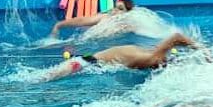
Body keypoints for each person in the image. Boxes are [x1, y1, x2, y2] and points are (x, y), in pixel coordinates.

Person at [41, 32, 200, 81]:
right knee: (40, 80)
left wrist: (198, 49)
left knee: (40, 78)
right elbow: (177, 36)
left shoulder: (148, 52)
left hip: (86, 60)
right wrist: (204, 53)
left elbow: (178, 39)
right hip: (83, 65)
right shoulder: (150, 59)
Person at [50, 0, 134, 38]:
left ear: (127, 12)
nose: (115, 11)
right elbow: (82, 20)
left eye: (120, 9)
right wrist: (59, 25)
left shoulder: (129, 25)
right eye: (114, 7)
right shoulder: (104, 17)